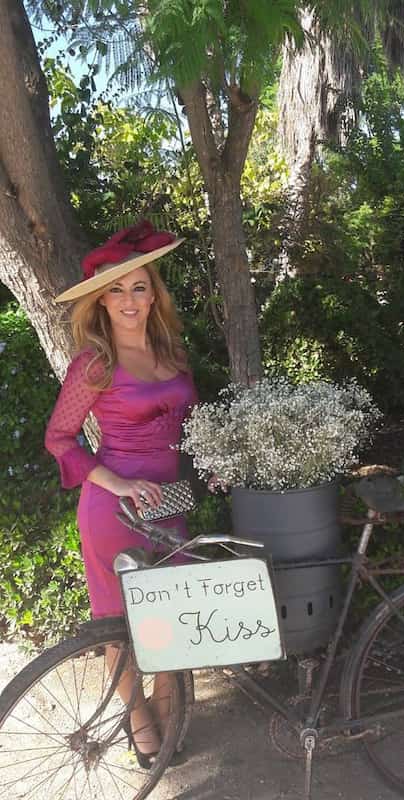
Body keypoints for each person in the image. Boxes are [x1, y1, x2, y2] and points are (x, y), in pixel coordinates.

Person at [45, 220, 197, 767]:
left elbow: (191, 428)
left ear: (153, 293)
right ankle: (141, 728)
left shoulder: (172, 350)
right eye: (117, 289)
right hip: (114, 509)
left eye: (140, 286)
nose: (130, 300)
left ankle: (168, 710)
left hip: (171, 507)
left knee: (172, 615)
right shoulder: (94, 363)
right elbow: (58, 438)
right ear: (100, 302)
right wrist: (120, 482)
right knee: (119, 624)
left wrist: (219, 461)